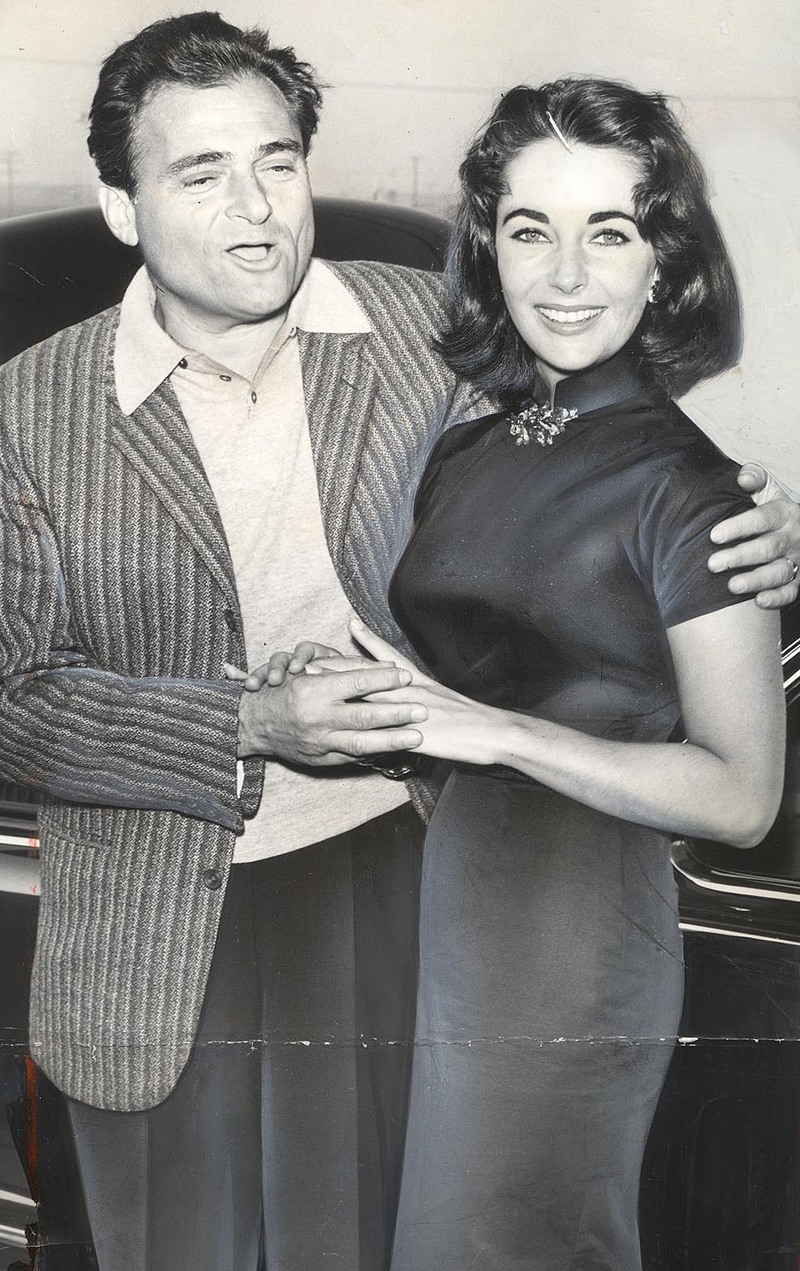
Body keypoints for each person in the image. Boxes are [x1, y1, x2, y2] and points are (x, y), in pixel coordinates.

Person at [0, 16, 796, 1267]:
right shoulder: (27, 409)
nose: (255, 208)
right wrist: (245, 723)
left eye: (277, 161)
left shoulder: (431, 330)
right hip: (147, 932)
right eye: (200, 173)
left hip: (400, 884)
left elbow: (608, 455)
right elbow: (12, 699)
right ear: (120, 204)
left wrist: (766, 524)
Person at [259, 77, 789, 1269]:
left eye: (609, 232)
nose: (564, 273)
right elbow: (482, 672)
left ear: (663, 263)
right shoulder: (467, 447)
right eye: (528, 229)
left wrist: (491, 732)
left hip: (574, 922)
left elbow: (741, 794)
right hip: (448, 894)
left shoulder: (692, 490)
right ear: (487, 246)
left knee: (521, 1239)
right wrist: (371, 696)